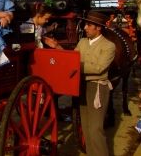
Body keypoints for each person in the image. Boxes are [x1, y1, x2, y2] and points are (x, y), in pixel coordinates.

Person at [43, 11, 115, 156]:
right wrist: (57, 46)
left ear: (98, 28)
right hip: (80, 86)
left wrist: (75, 65)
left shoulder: (108, 46)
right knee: (87, 127)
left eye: (89, 25)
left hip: (97, 88)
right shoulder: (82, 42)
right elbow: (72, 57)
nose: (85, 28)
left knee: (96, 129)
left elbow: (99, 68)